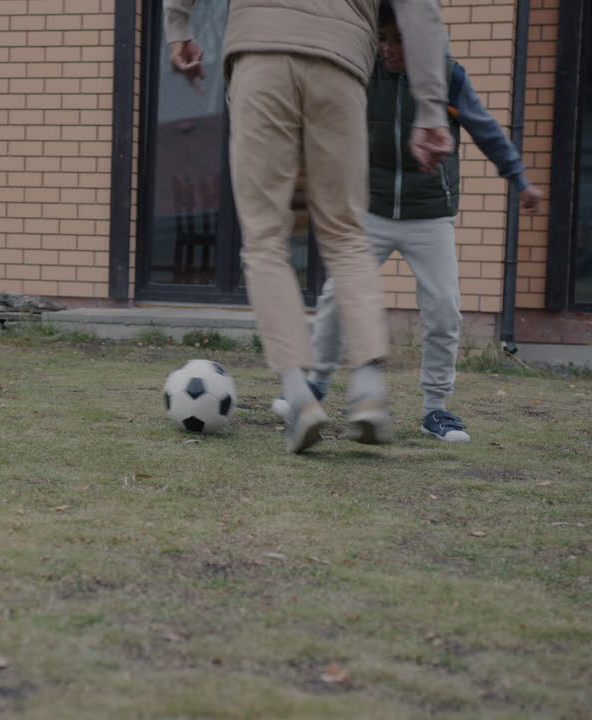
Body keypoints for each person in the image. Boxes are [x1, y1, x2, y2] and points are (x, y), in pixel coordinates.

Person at [164, 0, 453, 453]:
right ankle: (368, 391)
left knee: (264, 238)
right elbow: (419, 9)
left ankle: (300, 399)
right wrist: (432, 107)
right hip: (339, 60)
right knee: (346, 232)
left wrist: (178, 24)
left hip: (260, 50)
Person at [275, 5, 544, 443]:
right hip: (371, 210)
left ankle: (436, 409)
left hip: (430, 214)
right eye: (382, 40)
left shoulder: (447, 76)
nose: (388, 49)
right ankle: (315, 388)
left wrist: (519, 179)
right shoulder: (361, 75)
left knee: (443, 309)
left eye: (398, 40)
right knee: (335, 296)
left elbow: (486, 130)